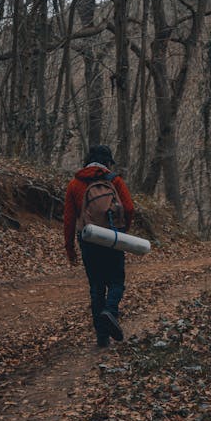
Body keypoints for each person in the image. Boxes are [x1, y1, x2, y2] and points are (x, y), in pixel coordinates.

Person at [64, 145, 134, 348]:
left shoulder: (75, 184)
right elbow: (129, 208)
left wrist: (69, 248)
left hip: (88, 238)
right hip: (113, 236)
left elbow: (69, 220)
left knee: (96, 285)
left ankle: (101, 336)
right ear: (108, 163)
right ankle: (110, 312)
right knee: (116, 281)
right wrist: (122, 231)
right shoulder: (114, 181)